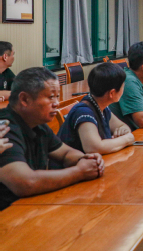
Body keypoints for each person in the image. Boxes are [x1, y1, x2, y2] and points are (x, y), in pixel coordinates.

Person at [0, 68, 104, 210]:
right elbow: (26, 183)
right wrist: (79, 172)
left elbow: (65, 153)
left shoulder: (37, 123)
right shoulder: (5, 128)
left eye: (57, 96)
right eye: (50, 97)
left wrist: (85, 159)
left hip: (33, 206)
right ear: (24, 99)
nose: (56, 103)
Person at [58, 63, 135, 154]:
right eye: (123, 86)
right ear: (112, 93)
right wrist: (126, 139)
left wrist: (123, 131)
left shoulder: (101, 105)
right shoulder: (83, 112)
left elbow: (121, 126)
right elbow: (94, 148)